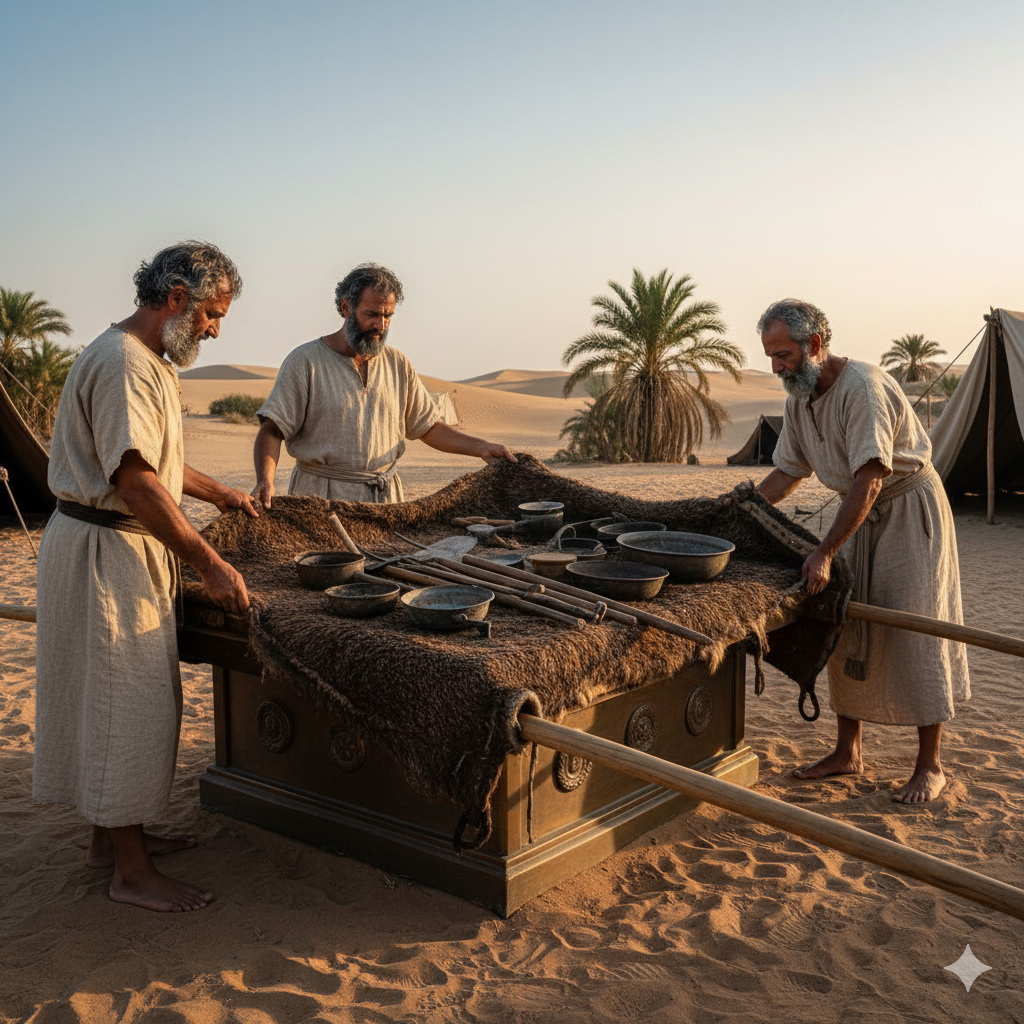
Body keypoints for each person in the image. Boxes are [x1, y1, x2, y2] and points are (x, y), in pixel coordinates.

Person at [34, 241, 261, 912]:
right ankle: (129, 873)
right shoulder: (125, 365)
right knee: (120, 705)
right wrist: (209, 562)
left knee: (121, 701)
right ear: (175, 300)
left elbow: (156, 458)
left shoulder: (148, 361)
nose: (217, 328)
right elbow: (134, 481)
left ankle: (111, 842)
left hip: (116, 549)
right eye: (214, 314)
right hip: (107, 554)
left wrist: (218, 492)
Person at [754, 298, 970, 803]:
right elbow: (788, 471)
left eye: (783, 354)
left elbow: (871, 476)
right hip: (858, 514)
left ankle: (930, 765)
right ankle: (848, 751)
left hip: (906, 510)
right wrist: (737, 509)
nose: (776, 366)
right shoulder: (797, 397)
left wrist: (825, 552)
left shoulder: (862, 389)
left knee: (916, 628)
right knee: (844, 623)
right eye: (769, 355)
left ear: (814, 344)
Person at [252, 263, 516, 506]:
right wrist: (266, 480)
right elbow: (273, 430)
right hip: (322, 498)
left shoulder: (398, 364)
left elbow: (429, 428)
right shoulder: (305, 361)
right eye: (372, 314)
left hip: (386, 500)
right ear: (346, 308)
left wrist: (482, 447)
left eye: (388, 315)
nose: (381, 325)